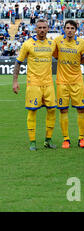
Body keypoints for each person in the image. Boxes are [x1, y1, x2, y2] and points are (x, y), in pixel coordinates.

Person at [12, 19, 57, 151]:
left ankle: (48, 140)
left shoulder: (52, 44)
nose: (42, 30)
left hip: (48, 83)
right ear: (35, 29)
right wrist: (15, 81)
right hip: (34, 84)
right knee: (32, 111)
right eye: (39, 28)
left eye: (44, 27)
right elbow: (18, 62)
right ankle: (32, 142)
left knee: (52, 110)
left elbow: (61, 56)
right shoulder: (28, 44)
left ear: (48, 29)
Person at [53, 20, 84, 149]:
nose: (69, 30)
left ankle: (81, 138)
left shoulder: (82, 43)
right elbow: (56, 56)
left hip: (77, 81)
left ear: (75, 30)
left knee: (81, 109)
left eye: (72, 28)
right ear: (64, 29)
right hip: (62, 82)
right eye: (67, 28)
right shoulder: (57, 41)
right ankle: (66, 139)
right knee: (63, 110)